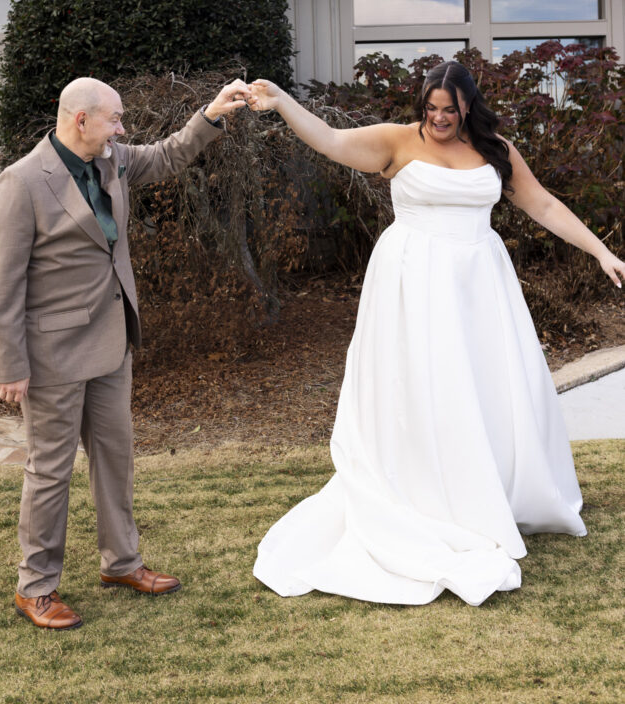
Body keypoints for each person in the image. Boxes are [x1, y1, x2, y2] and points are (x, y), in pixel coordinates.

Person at [248, 61, 624, 607]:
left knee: (487, 390)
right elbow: (328, 140)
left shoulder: (495, 149)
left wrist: (601, 250)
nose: (439, 119)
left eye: (449, 110)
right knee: (423, 390)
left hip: (479, 285)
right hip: (413, 284)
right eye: (430, 109)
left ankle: (485, 492)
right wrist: (282, 101)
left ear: (467, 105)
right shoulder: (396, 142)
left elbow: (541, 203)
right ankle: (424, 495)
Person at [0, 75, 253, 629]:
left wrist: (213, 113)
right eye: (115, 118)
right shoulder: (21, 184)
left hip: (111, 342)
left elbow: (169, 154)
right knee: (50, 472)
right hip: (52, 354)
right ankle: (35, 588)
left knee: (115, 459)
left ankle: (122, 563)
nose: (123, 128)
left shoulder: (113, 159)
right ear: (81, 120)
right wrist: (9, 364)